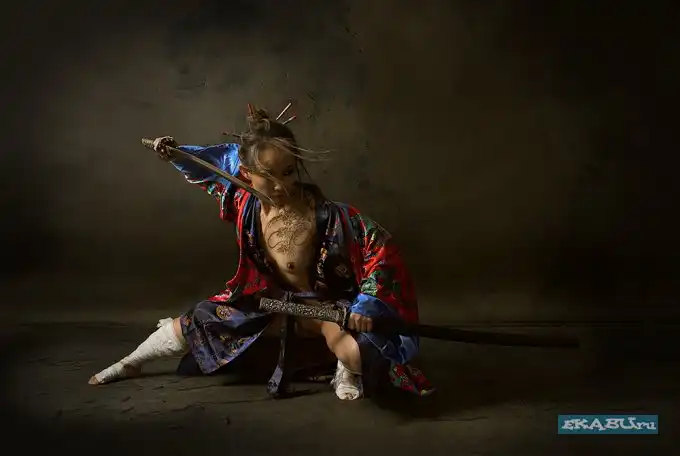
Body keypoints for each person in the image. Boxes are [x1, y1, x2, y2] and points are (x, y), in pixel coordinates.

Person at [88, 105, 433, 400]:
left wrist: (365, 307)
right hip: (271, 305)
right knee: (196, 321)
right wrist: (177, 153)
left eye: (288, 172)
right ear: (246, 174)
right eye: (268, 176)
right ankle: (130, 362)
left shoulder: (333, 216)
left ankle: (346, 368)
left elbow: (381, 252)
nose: (282, 185)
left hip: (328, 309)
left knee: (359, 354)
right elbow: (207, 166)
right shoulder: (241, 201)